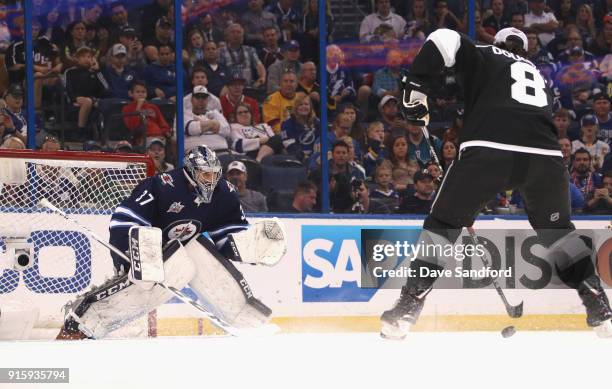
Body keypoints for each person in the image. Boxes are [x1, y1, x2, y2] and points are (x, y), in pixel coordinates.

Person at [380, 27, 612, 340]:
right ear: (525, 51)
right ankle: (599, 305)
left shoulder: (486, 54)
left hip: (489, 151)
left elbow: (443, 38)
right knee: (558, 232)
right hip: (545, 158)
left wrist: (416, 89)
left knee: (443, 224)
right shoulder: (540, 77)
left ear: (498, 43)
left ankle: (407, 308)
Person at [56, 145, 286, 340]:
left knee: (195, 255)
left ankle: (243, 317)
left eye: (215, 174)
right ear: (190, 172)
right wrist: (135, 255)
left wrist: (248, 246)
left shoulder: (224, 194)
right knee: (176, 269)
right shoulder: (160, 186)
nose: (212, 180)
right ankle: (84, 322)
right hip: (143, 253)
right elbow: (124, 219)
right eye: (205, 175)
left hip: (179, 248)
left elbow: (227, 233)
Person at [122, 80, 172, 148]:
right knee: (154, 146)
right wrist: (138, 107)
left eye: (143, 92)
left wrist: (166, 131)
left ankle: (187, 158)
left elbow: (162, 123)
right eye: (138, 92)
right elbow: (132, 126)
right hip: (142, 138)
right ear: (131, 93)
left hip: (159, 136)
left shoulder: (153, 107)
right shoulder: (127, 108)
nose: (141, 94)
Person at [184, 85, 230, 152]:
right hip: (198, 154)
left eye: (204, 98)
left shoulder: (215, 113)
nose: (201, 100)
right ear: (192, 100)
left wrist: (202, 125)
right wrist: (213, 124)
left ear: (207, 100)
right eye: (197, 97)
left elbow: (227, 130)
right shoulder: (185, 114)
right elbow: (191, 128)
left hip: (222, 152)